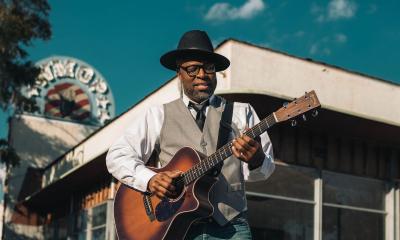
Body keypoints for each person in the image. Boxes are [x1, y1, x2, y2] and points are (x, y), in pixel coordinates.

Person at [106, 30, 275, 240]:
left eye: (209, 68)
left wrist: (256, 159)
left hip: (231, 228)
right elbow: (117, 156)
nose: (202, 75)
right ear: (179, 73)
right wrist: (150, 180)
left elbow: (265, 170)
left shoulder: (242, 112)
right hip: (174, 229)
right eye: (193, 69)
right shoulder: (157, 115)